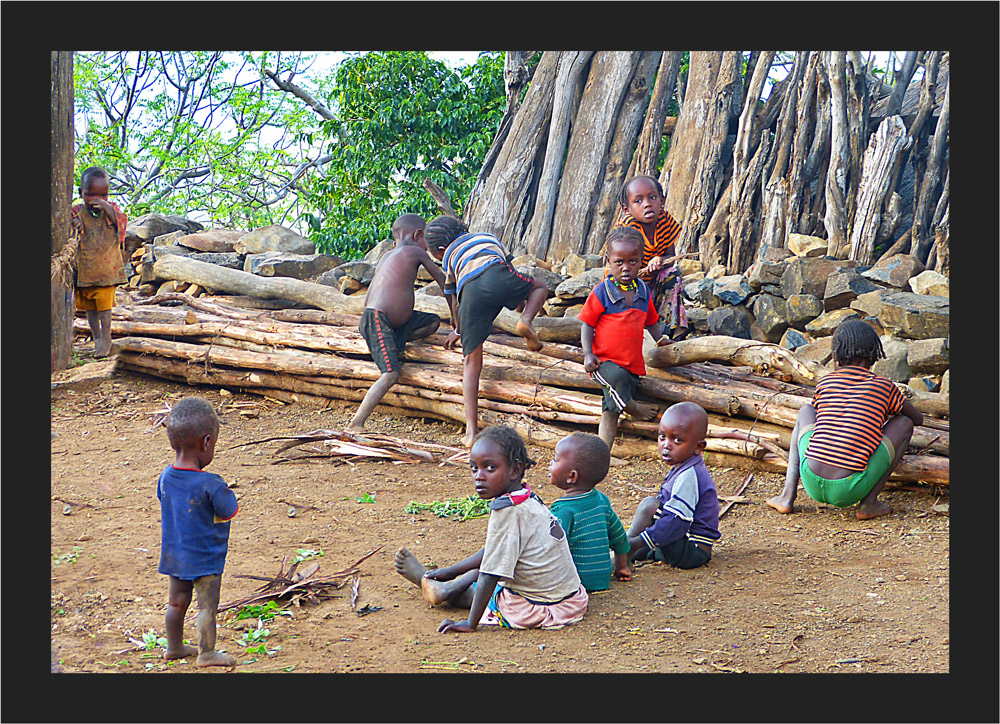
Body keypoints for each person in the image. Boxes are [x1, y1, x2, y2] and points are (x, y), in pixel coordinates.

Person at [393, 425, 588, 632]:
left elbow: (489, 574)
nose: (479, 476)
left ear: (515, 470)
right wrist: (448, 571)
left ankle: (439, 589)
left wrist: (470, 623)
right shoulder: (526, 498)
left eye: (490, 468)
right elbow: (493, 551)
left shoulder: (508, 512)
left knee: (482, 583)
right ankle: (442, 581)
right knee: (483, 570)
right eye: (474, 468)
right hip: (571, 600)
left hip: (538, 608)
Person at [766, 319, 923, 520]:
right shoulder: (884, 387)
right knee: (904, 424)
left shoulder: (826, 382)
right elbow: (917, 419)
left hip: (811, 480)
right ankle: (868, 504)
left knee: (806, 410)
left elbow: (826, 416)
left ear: (836, 354)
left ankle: (787, 496)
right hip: (850, 489)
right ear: (874, 354)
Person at [425, 216, 550, 447]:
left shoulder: (450, 257)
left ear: (441, 250)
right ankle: (525, 321)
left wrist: (458, 329)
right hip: (499, 274)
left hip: (470, 293)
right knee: (540, 287)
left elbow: (453, 298)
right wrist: (520, 303)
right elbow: (510, 269)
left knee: (472, 363)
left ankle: (471, 432)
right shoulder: (488, 238)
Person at [157, 397, 239, 667]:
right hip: (205, 560)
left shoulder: (165, 477)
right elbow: (229, 511)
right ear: (206, 443)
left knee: (176, 603)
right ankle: (206, 653)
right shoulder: (210, 483)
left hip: (175, 556)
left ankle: (174, 647)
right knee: (206, 606)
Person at [348, 213, 447, 431]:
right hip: (378, 319)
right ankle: (357, 423)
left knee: (432, 321)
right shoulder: (415, 252)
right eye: (427, 242)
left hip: (384, 319)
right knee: (391, 373)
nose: (427, 248)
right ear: (418, 235)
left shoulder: (387, 256)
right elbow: (445, 283)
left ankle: (396, 343)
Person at [579, 226, 672, 452]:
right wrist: (588, 354)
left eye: (633, 261)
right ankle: (633, 407)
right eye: (619, 262)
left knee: (610, 411)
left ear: (641, 261)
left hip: (630, 363)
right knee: (617, 378)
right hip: (602, 363)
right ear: (608, 261)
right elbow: (587, 324)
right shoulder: (602, 292)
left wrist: (660, 341)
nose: (626, 268)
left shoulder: (642, 291)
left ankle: (603, 455)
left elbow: (651, 320)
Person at [626, 401, 720, 572]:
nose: (666, 445)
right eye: (662, 436)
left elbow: (676, 522)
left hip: (693, 551)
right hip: (681, 541)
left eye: (677, 440)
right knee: (652, 506)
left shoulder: (689, 475)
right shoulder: (682, 467)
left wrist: (637, 542)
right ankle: (626, 549)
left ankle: (627, 550)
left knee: (651, 507)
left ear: (698, 447)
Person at [548, 432, 632, 592]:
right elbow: (619, 537)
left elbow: (552, 550)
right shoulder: (601, 500)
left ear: (571, 476)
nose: (550, 464)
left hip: (574, 583)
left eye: (555, 460)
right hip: (602, 579)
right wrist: (622, 567)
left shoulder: (563, 510)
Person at [614, 174, 689, 340]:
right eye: (638, 201)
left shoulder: (665, 220)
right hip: (628, 288)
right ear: (627, 209)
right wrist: (645, 265)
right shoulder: (628, 229)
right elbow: (621, 268)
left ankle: (669, 329)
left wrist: (660, 260)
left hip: (654, 288)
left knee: (672, 271)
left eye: (653, 197)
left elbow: (671, 256)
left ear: (662, 200)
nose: (647, 204)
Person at [71, 166, 128, 358]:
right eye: (91, 194)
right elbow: (67, 231)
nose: (97, 199)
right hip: (85, 270)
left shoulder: (112, 210)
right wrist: (74, 226)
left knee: (104, 308)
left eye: (103, 195)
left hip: (106, 270)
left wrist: (108, 208)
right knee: (90, 308)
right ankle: (96, 337)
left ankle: (106, 338)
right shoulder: (76, 212)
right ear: (81, 193)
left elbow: (121, 224)